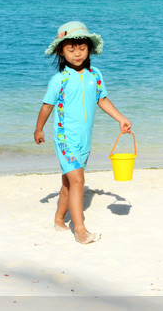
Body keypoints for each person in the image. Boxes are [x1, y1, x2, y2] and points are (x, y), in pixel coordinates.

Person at [34, 21, 132, 244]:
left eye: (82, 48)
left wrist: (121, 118)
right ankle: (80, 230)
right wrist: (39, 128)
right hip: (64, 138)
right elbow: (47, 106)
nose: (77, 54)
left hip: (85, 140)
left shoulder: (95, 75)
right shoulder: (59, 79)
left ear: (89, 48)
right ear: (61, 51)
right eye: (71, 49)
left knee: (69, 183)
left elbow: (102, 99)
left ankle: (59, 219)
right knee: (78, 180)